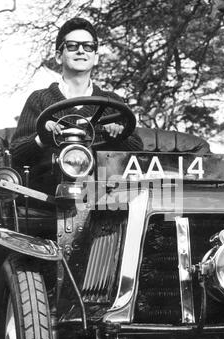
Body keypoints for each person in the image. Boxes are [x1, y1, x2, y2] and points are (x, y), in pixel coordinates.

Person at [10, 17, 143, 206]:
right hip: (48, 202)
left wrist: (119, 135)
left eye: (88, 46)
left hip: (106, 201)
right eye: (72, 46)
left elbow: (138, 151)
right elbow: (16, 153)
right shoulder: (39, 99)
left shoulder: (112, 101)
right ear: (58, 56)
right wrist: (41, 138)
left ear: (95, 57)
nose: (81, 50)